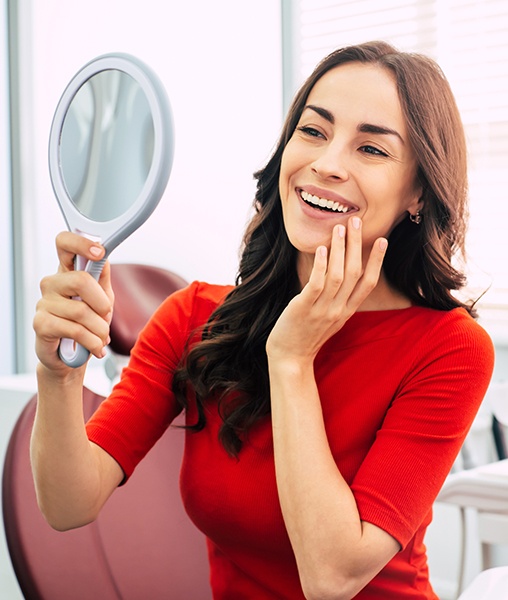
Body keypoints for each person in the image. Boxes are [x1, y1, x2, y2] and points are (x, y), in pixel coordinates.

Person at [32, 41, 494, 599]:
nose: (327, 163)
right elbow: (67, 505)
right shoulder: (192, 319)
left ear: (418, 191)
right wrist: (58, 378)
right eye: (314, 131)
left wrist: (293, 358)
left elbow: (332, 576)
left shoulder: (450, 348)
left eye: (370, 148)